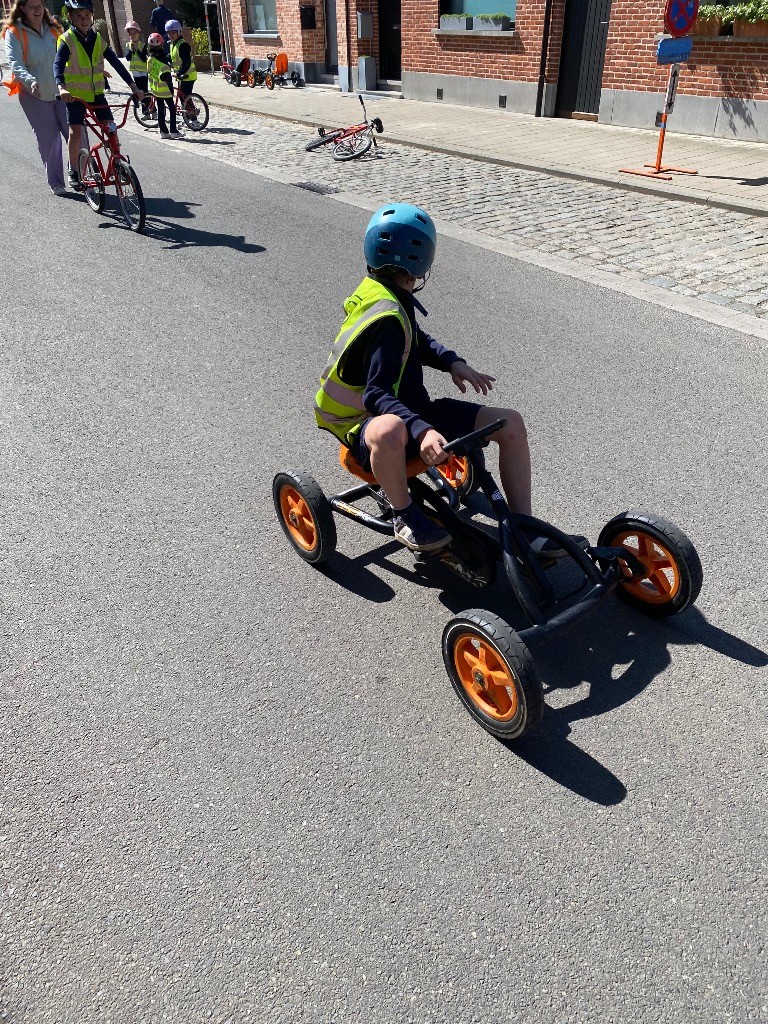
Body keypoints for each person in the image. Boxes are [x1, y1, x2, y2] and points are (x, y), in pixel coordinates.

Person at [314, 203, 565, 555]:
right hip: (365, 426)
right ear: (422, 263)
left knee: (510, 423)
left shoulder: (387, 292)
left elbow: (415, 338)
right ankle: (405, 515)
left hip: (412, 413)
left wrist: (452, 363)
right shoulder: (385, 319)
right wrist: (423, 430)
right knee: (391, 429)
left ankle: (526, 527)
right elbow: (376, 394)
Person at [53, 0, 142, 192]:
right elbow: (57, 65)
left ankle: (117, 163)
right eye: (79, 16)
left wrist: (134, 87)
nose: (84, 20)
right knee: (76, 132)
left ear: (92, 16)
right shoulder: (67, 40)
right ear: (70, 17)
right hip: (75, 96)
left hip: (97, 95)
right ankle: (73, 170)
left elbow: (117, 64)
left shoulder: (98, 39)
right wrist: (61, 88)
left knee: (111, 129)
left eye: (87, 15)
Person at [1, 0, 67, 194]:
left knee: (76, 133)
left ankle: (81, 174)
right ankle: (56, 182)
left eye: (40, 5)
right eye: (32, 6)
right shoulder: (15, 32)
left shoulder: (54, 29)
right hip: (34, 94)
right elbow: (15, 63)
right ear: (23, 8)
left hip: (62, 91)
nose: (38, 10)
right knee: (50, 139)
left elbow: (69, 56)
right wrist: (30, 81)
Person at [146, 32, 181, 139]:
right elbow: (167, 79)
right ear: (161, 45)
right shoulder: (163, 62)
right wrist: (171, 91)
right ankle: (174, 131)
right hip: (165, 90)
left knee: (161, 110)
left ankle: (163, 132)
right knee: (172, 109)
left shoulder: (150, 59)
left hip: (156, 89)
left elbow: (149, 72)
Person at [165, 18, 196, 110]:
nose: (171, 35)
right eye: (169, 33)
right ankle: (187, 114)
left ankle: (192, 115)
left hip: (188, 75)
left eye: (173, 33)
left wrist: (179, 72)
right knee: (182, 95)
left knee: (185, 97)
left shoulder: (183, 45)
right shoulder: (173, 44)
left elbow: (187, 62)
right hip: (182, 75)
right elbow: (171, 57)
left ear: (179, 32)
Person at [124, 19, 147, 102]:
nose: (133, 36)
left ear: (138, 34)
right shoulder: (128, 45)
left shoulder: (143, 45)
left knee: (144, 91)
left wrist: (137, 50)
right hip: (135, 73)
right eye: (131, 34)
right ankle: (142, 106)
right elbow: (127, 58)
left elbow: (144, 59)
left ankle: (148, 107)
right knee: (138, 91)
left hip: (143, 72)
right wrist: (131, 50)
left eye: (135, 33)